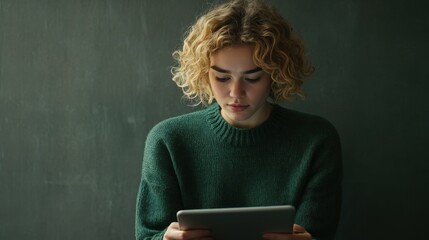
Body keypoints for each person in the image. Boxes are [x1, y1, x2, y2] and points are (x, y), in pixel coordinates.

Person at [135, 0, 342, 239]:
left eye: (253, 78)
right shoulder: (168, 140)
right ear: (204, 72)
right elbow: (147, 235)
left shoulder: (316, 140)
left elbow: (318, 233)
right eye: (222, 78)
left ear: (275, 74)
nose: (236, 93)